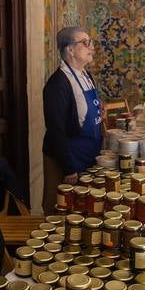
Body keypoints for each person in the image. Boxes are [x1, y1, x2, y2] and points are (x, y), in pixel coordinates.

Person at [42, 26, 102, 214]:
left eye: (90, 42)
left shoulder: (85, 75)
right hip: (66, 158)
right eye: (85, 43)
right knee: (59, 209)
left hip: (88, 154)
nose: (91, 47)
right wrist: (69, 169)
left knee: (82, 209)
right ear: (69, 49)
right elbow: (55, 130)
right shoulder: (57, 84)